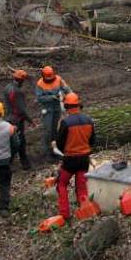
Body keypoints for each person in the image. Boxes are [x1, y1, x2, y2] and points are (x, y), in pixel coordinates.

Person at [54, 92, 95, 220]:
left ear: (67, 106)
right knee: (82, 186)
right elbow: (92, 141)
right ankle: (85, 210)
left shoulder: (66, 123)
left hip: (70, 159)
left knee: (61, 183)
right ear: (78, 105)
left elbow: (60, 144)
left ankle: (64, 214)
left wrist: (67, 150)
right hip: (84, 159)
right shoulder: (89, 120)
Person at [35, 65, 71, 160]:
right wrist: (51, 97)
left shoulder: (58, 79)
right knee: (48, 131)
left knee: (56, 130)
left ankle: (56, 149)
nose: (50, 80)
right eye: (48, 78)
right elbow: (39, 98)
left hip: (57, 107)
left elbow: (66, 88)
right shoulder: (40, 84)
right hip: (47, 109)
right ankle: (48, 152)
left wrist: (71, 95)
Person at [3, 68, 33, 169]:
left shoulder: (7, 88)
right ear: (20, 80)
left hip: (8, 118)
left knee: (12, 140)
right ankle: (23, 162)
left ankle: (10, 162)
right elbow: (21, 110)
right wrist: (30, 121)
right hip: (17, 120)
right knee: (20, 142)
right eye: (23, 81)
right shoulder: (17, 92)